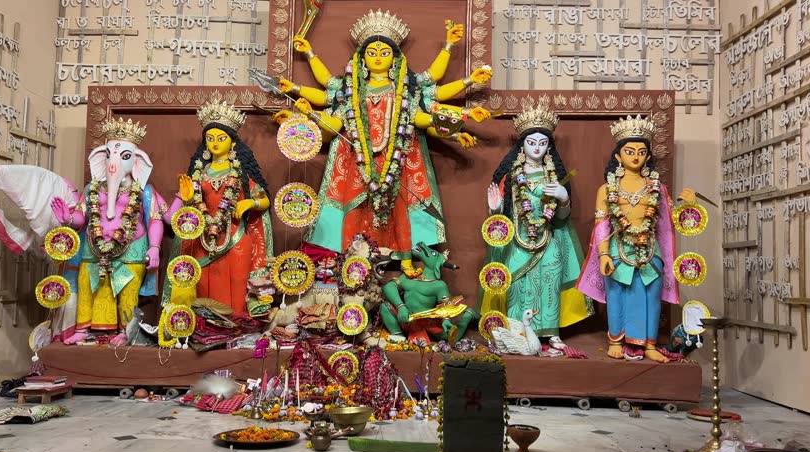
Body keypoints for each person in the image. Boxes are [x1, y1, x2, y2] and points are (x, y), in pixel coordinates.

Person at [273, 10, 493, 276]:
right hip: (356, 159)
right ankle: (350, 261)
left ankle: (403, 258)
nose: (378, 57)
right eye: (372, 52)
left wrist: (460, 122)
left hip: (397, 159)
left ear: (395, 58)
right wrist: (300, 117)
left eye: (384, 52)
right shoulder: (351, 90)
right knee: (353, 205)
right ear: (362, 58)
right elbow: (329, 107)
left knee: (398, 207)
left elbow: (425, 114)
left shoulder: (403, 90)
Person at [577, 115, 695, 362]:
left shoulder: (657, 189)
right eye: (629, 151)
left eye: (641, 152)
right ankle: (616, 340)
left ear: (648, 157)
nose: (635, 156)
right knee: (617, 294)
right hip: (619, 248)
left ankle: (649, 343)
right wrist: (604, 254)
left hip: (650, 250)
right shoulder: (607, 189)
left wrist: (689, 205)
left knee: (650, 296)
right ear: (618, 156)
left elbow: (672, 220)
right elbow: (602, 224)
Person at [481, 105, 591, 351]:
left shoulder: (554, 176)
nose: (537, 148)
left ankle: (550, 332)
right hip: (517, 242)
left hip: (548, 240)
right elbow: (498, 220)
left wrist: (563, 198)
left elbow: (562, 219)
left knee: (550, 282)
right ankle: (516, 328)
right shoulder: (510, 176)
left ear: (549, 147)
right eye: (532, 142)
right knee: (516, 284)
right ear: (522, 145)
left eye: (543, 143)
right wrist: (495, 208)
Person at [164, 100, 273, 314]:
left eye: (220, 138)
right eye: (210, 139)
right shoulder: (199, 173)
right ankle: (208, 328)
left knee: (238, 283)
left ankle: (239, 327)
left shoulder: (240, 173)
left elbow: (265, 199)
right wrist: (187, 199)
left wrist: (250, 202)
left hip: (235, 237)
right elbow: (187, 211)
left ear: (232, 143)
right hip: (203, 239)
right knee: (204, 285)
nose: (214, 143)